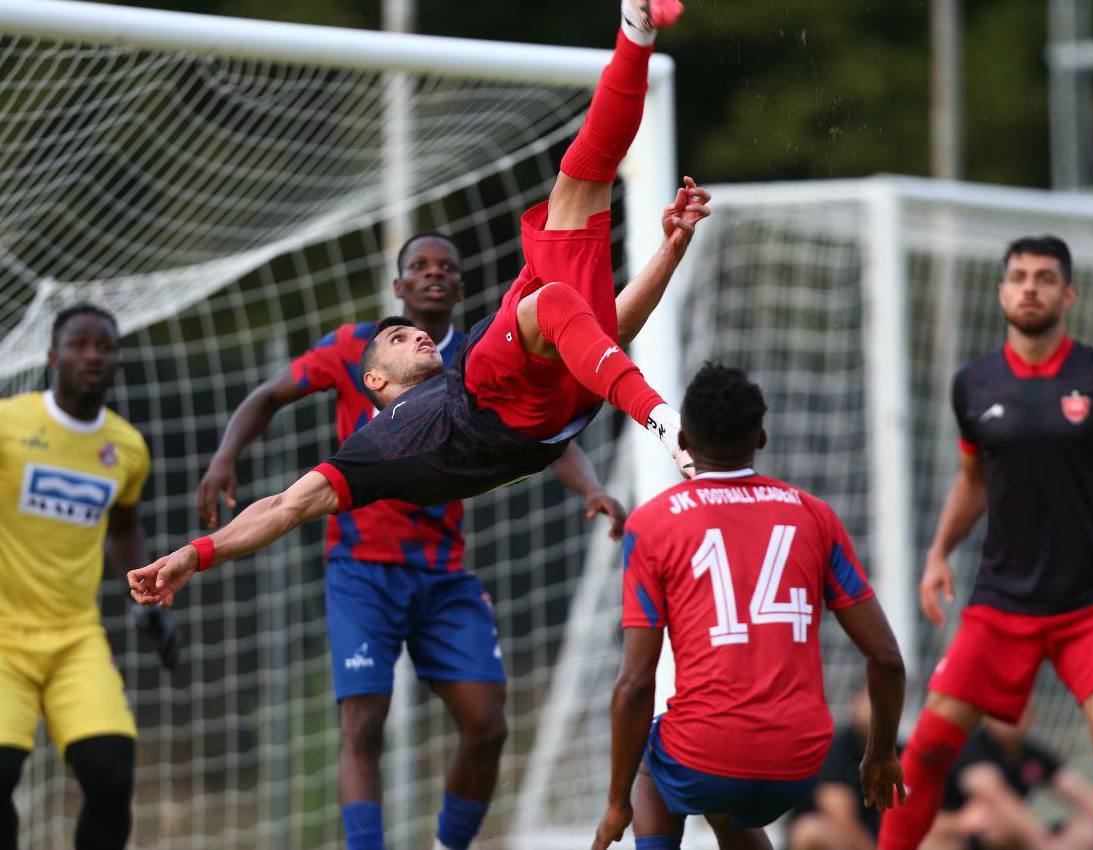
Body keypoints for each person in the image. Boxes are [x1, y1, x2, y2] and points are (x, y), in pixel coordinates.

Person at [129, 1, 708, 601]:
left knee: (582, 181)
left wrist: (671, 247)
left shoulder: (468, 361)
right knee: (558, 292)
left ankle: (634, 31)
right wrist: (193, 555)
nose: (417, 334)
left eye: (412, 331)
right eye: (398, 339)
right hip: (497, 404)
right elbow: (280, 506)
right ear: (374, 380)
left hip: (558, 400)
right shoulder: (378, 444)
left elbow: (609, 331)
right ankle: (666, 421)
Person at [195, 231, 628, 850]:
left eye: (447, 266)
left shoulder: (479, 358)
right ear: (398, 287)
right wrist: (225, 458)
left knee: (487, 725)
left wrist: (589, 488)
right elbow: (270, 395)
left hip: (441, 569)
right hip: (363, 567)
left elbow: (544, 422)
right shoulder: (355, 347)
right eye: (419, 267)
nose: (434, 274)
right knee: (363, 723)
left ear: (459, 286)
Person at [591, 363, 907, 850]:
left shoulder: (652, 525)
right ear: (761, 436)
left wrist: (616, 804)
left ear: (685, 438)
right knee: (727, 806)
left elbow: (635, 683)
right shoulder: (815, 516)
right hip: (803, 763)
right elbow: (886, 658)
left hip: (707, 753)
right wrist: (881, 754)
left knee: (653, 765)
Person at [877, 235, 1093, 850]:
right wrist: (937, 553)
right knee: (926, 747)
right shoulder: (974, 385)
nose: (1030, 286)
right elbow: (974, 479)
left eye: (1044, 276)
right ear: (1003, 291)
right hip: (1003, 601)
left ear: (1069, 294)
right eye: (1019, 276)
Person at [0, 305, 180, 850]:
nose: (92, 356)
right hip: (4, 636)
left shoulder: (126, 449)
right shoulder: (9, 423)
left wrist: (145, 600)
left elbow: (124, 526)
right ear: (53, 356)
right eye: (78, 344)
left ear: (116, 361)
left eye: (103, 346)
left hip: (74, 636)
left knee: (111, 773)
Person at [920, 715, 1093, 850]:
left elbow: (1080, 792)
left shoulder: (1031, 752)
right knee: (1000, 826)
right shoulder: (972, 750)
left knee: (1086, 830)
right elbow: (996, 796)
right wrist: (1043, 842)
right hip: (957, 834)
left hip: (1018, 834)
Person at [787, 687, 888, 850]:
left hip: (880, 836)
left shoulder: (900, 752)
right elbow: (838, 814)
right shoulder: (836, 748)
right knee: (810, 831)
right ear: (855, 702)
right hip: (844, 839)